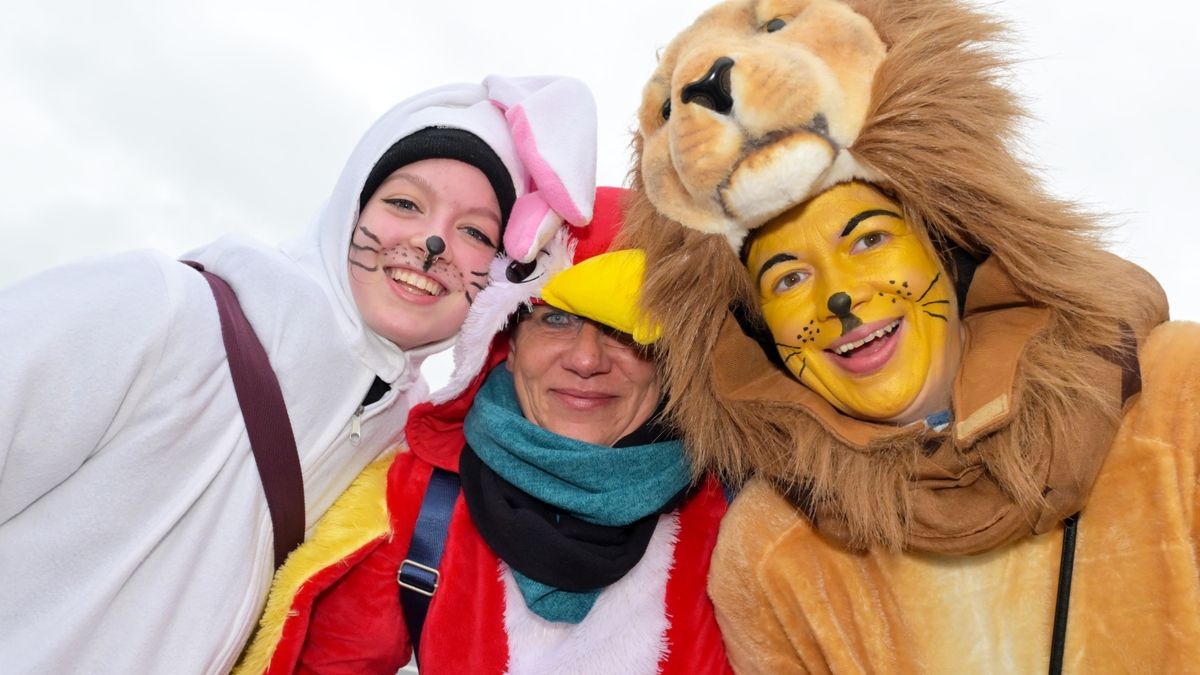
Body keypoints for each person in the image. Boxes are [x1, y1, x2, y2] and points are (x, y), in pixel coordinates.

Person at [618, 0, 1199, 671]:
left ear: (947, 249)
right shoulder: (771, 557)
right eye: (785, 279)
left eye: (866, 239)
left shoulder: (1179, 399)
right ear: (761, 336)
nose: (839, 298)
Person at [0, 75, 597, 674]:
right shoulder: (156, 310)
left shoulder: (399, 455)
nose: (432, 240)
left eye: (474, 232)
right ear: (350, 206)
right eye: (404, 203)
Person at [235, 187, 732, 675]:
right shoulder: (415, 499)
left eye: (625, 331)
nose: (585, 360)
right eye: (555, 320)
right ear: (509, 343)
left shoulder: (740, 513)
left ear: (674, 358)